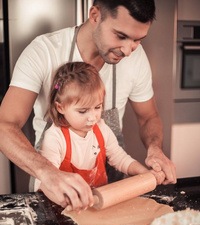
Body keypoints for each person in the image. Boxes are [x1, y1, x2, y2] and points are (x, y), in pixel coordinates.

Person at [0, 0, 176, 210]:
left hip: (110, 189)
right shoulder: (44, 51)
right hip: (53, 185)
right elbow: (4, 124)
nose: (129, 50)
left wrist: (155, 148)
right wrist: (49, 173)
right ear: (94, 16)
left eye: (137, 40)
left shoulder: (136, 58)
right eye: (121, 36)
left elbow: (148, 117)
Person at [36, 61, 165, 210]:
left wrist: (145, 174)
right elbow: (47, 182)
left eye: (97, 107)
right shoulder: (55, 138)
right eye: (83, 111)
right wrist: (68, 201)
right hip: (64, 209)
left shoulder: (101, 129)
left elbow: (120, 158)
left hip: (99, 206)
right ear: (61, 107)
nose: (92, 118)